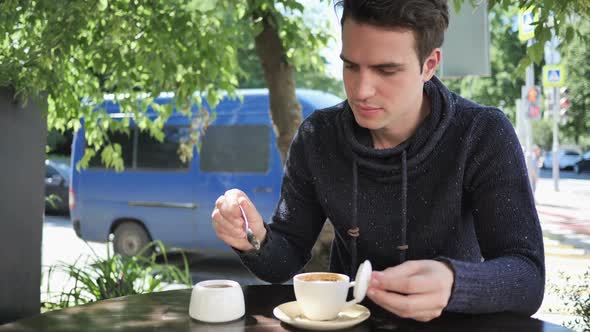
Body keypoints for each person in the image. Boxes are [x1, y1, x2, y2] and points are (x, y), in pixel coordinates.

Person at [211, 0, 545, 322]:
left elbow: (527, 278)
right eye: (350, 65)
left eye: (386, 70)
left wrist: (455, 283)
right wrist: (253, 239)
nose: (361, 90)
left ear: (430, 64)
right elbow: (284, 261)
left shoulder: (481, 133)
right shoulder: (318, 137)